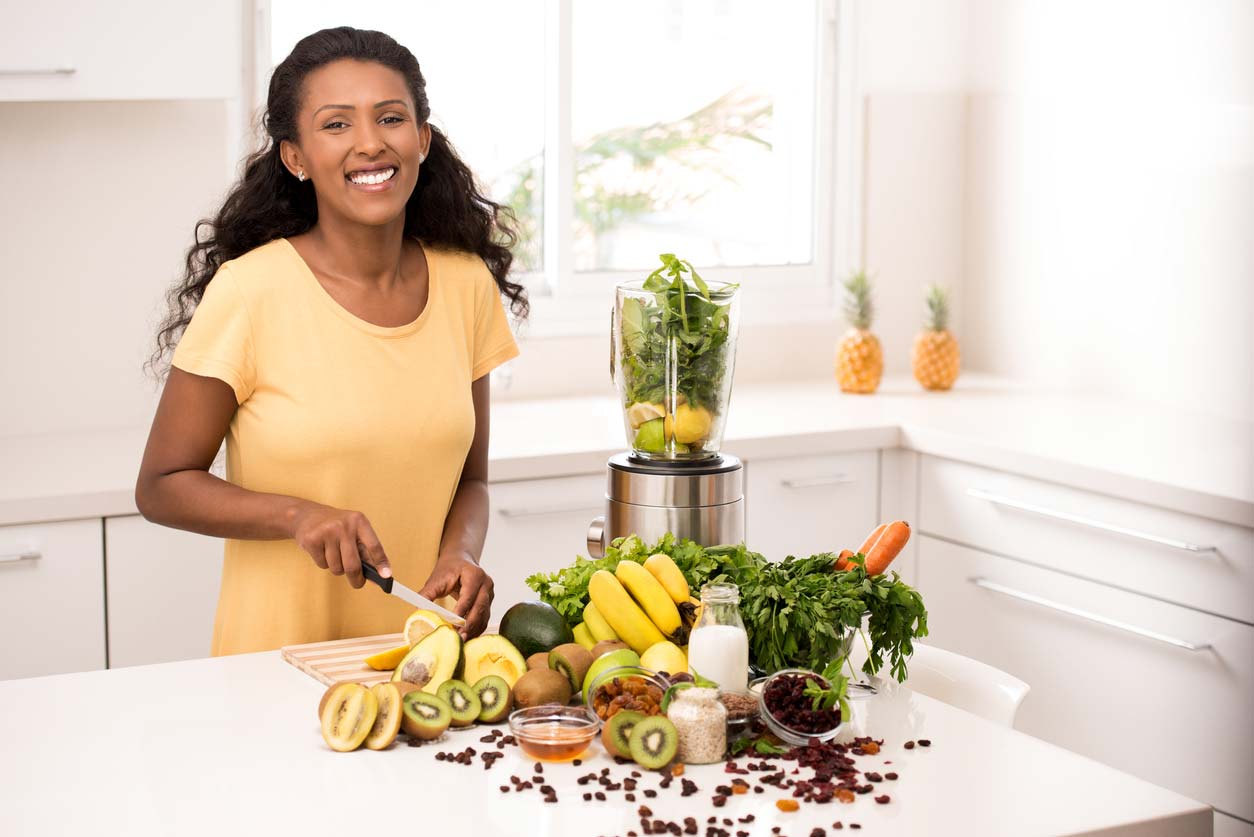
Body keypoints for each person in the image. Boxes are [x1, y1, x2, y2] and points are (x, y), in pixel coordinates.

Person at [135, 27, 526, 654]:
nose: (370, 143)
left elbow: (471, 481)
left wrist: (460, 552)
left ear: (422, 139)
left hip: (418, 666)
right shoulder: (249, 292)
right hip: (274, 666)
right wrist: (299, 515)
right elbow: (161, 483)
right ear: (295, 156)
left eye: (391, 118)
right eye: (337, 125)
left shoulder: (464, 285)